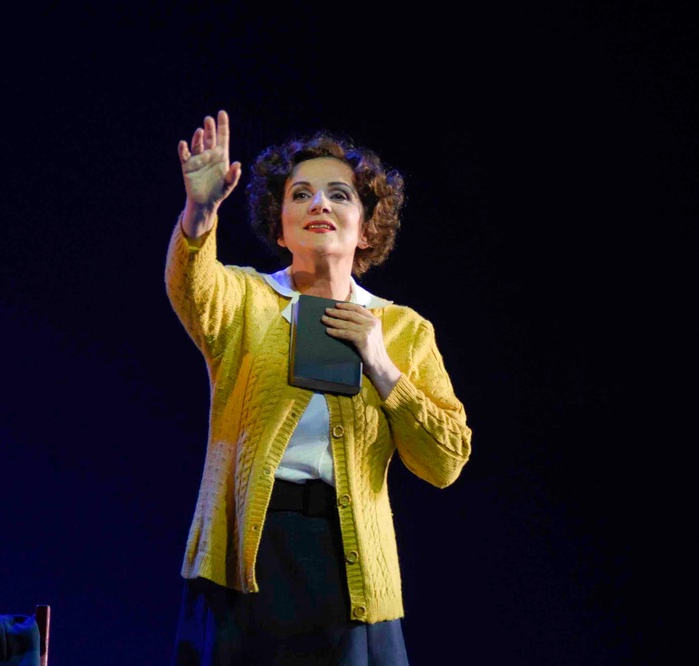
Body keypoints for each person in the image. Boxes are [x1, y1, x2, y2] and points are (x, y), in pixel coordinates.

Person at [165, 110, 472, 665]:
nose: (319, 205)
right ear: (280, 227)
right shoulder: (246, 299)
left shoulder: (403, 329)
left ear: (367, 227)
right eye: (301, 194)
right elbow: (192, 287)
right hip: (247, 559)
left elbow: (445, 461)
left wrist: (381, 365)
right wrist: (199, 214)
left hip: (349, 565)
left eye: (339, 194)